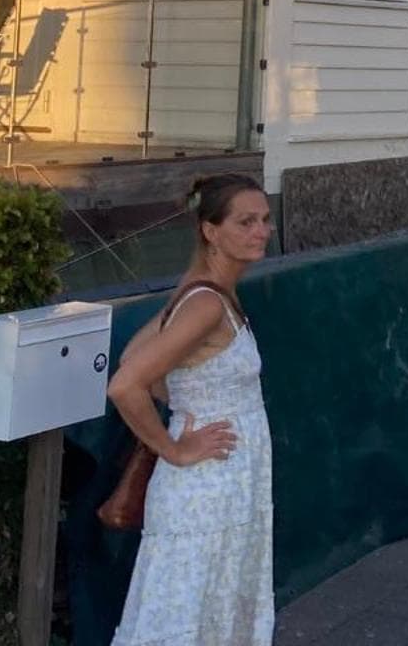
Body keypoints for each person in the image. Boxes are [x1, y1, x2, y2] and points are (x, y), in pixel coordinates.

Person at [107, 173, 275, 645]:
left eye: (265, 219)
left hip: (228, 484)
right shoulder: (205, 304)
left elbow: (134, 355)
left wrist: (189, 398)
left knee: (209, 612)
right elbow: (126, 383)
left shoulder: (205, 292)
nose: (261, 231)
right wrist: (174, 449)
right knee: (188, 616)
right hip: (206, 490)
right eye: (245, 222)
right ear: (210, 231)